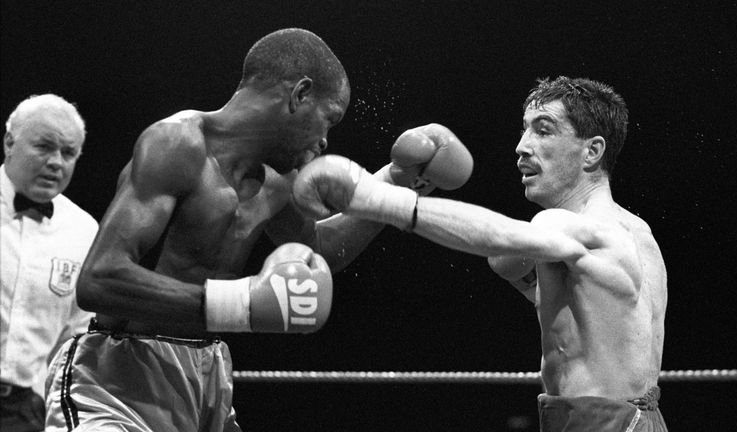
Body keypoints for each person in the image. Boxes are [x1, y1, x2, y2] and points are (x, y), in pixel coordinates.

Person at [43, 28, 472, 432]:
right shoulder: (178, 144)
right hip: (118, 381)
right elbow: (99, 279)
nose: (325, 141)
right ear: (300, 94)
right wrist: (242, 304)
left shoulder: (277, 180)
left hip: (206, 377)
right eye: (329, 118)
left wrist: (393, 183)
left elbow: (320, 250)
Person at [294, 76, 669, 431]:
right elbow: (514, 268)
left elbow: (496, 237)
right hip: (638, 418)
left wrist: (377, 198)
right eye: (524, 129)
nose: (522, 146)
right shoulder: (639, 234)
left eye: (543, 129)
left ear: (593, 151)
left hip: (599, 422)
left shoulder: (578, 228)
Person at [1, 94, 98, 432]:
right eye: (44, 147)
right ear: (10, 143)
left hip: (26, 411)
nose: (57, 162)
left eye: (68, 153)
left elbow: (77, 334)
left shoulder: (83, 230)